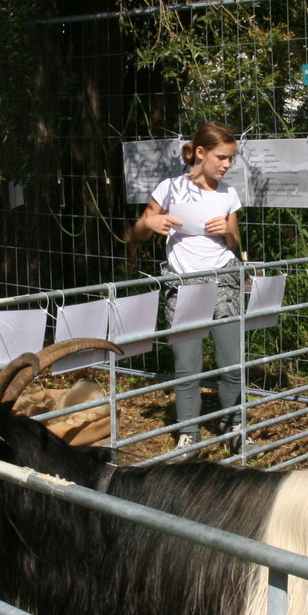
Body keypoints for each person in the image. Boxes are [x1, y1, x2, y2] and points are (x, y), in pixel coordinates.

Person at [131, 121, 245, 451]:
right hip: (182, 285)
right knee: (187, 365)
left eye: (231, 158)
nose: (227, 164)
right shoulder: (169, 188)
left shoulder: (229, 193)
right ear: (200, 152)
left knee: (232, 362)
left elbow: (235, 243)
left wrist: (227, 230)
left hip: (224, 281)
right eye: (222, 157)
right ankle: (188, 433)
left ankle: (234, 426)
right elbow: (139, 232)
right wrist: (148, 223)